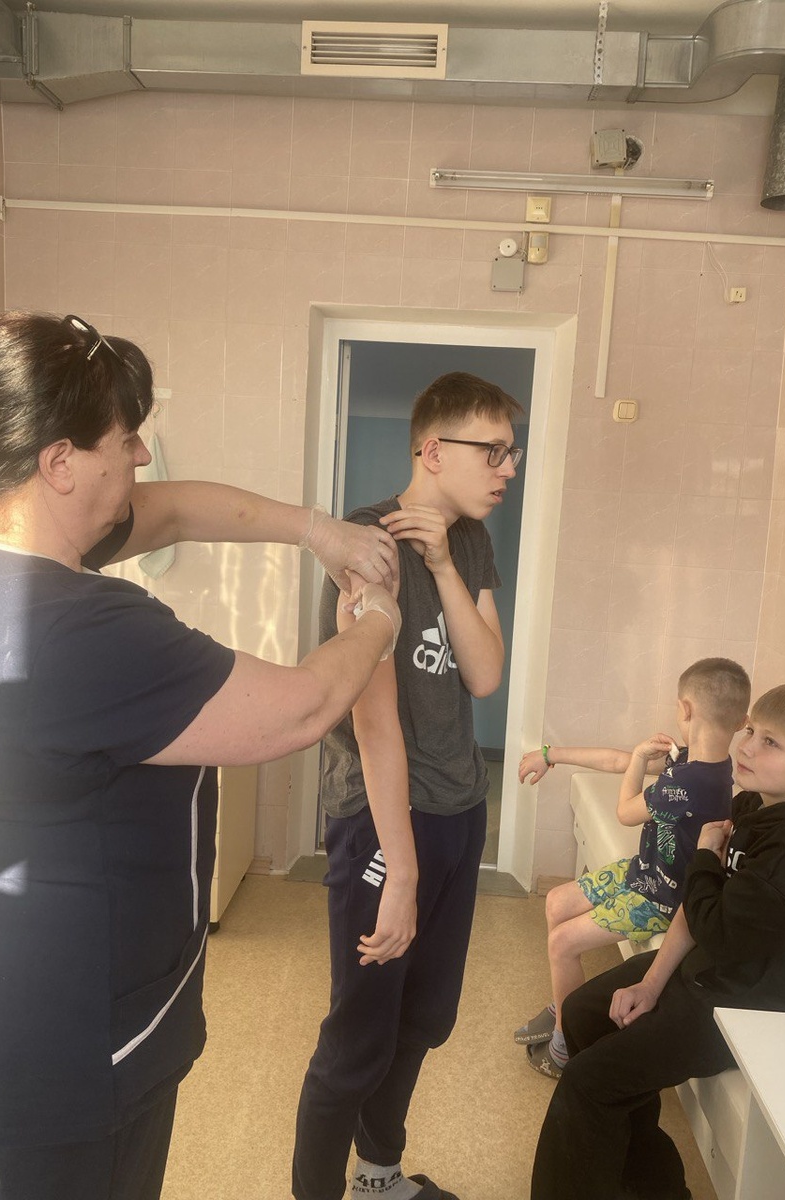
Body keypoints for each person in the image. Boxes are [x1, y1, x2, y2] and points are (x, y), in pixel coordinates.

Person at [0, 311, 401, 1200]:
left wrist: (317, 531)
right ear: (60, 462)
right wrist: (377, 619)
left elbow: (175, 508)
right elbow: (301, 709)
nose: (143, 455)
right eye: (126, 437)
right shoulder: (78, 629)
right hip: (78, 1052)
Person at [292, 371, 524, 1200]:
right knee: (359, 1036)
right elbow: (374, 724)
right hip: (387, 818)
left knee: (423, 1019)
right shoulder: (366, 543)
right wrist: (401, 871)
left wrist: (446, 566)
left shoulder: (469, 541)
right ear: (432, 450)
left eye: (512, 453)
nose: (507, 468)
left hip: (460, 807)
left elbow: (485, 674)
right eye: (492, 450)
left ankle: (378, 1177)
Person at [530, 681, 785, 1200]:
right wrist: (649, 983)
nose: (747, 747)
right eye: (751, 732)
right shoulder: (754, 803)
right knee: (581, 1012)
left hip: (748, 1004)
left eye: (770, 742)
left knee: (589, 1082)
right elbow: (698, 904)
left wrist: (706, 858)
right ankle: (648, 1182)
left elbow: (717, 925)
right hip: (716, 966)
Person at [515, 658, 750, 1079]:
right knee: (557, 902)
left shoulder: (688, 783)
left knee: (562, 943)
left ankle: (567, 1043)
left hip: (662, 899)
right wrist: (551, 755)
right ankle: (564, 1005)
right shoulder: (703, 763)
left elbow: (625, 812)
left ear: (685, 709)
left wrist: (640, 759)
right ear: (740, 722)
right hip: (645, 870)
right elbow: (616, 761)